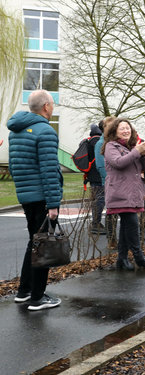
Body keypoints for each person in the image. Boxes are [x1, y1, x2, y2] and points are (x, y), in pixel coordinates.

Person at [7, 89, 63, 311]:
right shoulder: (45, 131)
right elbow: (50, 170)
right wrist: (53, 203)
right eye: (52, 104)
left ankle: (24, 291)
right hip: (42, 196)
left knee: (34, 243)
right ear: (46, 107)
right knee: (43, 247)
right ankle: (38, 298)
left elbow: (14, 166)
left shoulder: (16, 131)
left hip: (26, 195)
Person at [102, 118, 145, 270]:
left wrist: (143, 153)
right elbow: (119, 163)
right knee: (132, 224)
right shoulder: (111, 146)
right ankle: (139, 258)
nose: (126, 131)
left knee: (126, 226)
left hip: (133, 193)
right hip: (119, 192)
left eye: (128, 128)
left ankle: (122, 259)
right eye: (122, 128)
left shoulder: (133, 147)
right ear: (114, 131)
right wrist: (136, 152)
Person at [95, 117, 118, 248]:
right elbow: (100, 166)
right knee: (111, 210)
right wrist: (110, 179)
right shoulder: (101, 143)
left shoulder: (116, 142)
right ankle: (112, 240)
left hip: (119, 182)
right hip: (109, 182)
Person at [86, 123, 105, 234]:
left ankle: (96, 222)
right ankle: (96, 224)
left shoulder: (90, 141)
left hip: (92, 175)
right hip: (97, 175)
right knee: (100, 200)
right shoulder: (98, 142)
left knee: (96, 199)